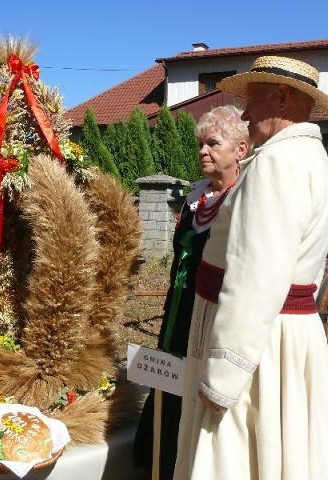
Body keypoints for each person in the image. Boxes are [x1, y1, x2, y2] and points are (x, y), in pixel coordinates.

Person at [174, 56, 328, 479]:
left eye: (251, 103)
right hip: (283, 337)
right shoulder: (312, 157)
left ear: (283, 98)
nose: (245, 114)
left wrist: (222, 376)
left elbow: (255, 278)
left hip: (260, 348)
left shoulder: (275, 163)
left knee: (237, 457)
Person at [132, 106, 249, 480]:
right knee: (169, 377)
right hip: (178, 308)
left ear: (241, 150)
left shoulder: (243, 200)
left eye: (213, 143)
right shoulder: (195, 196)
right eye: (201, 143)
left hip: (211, 316)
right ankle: (159, 462)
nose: (203, 151)